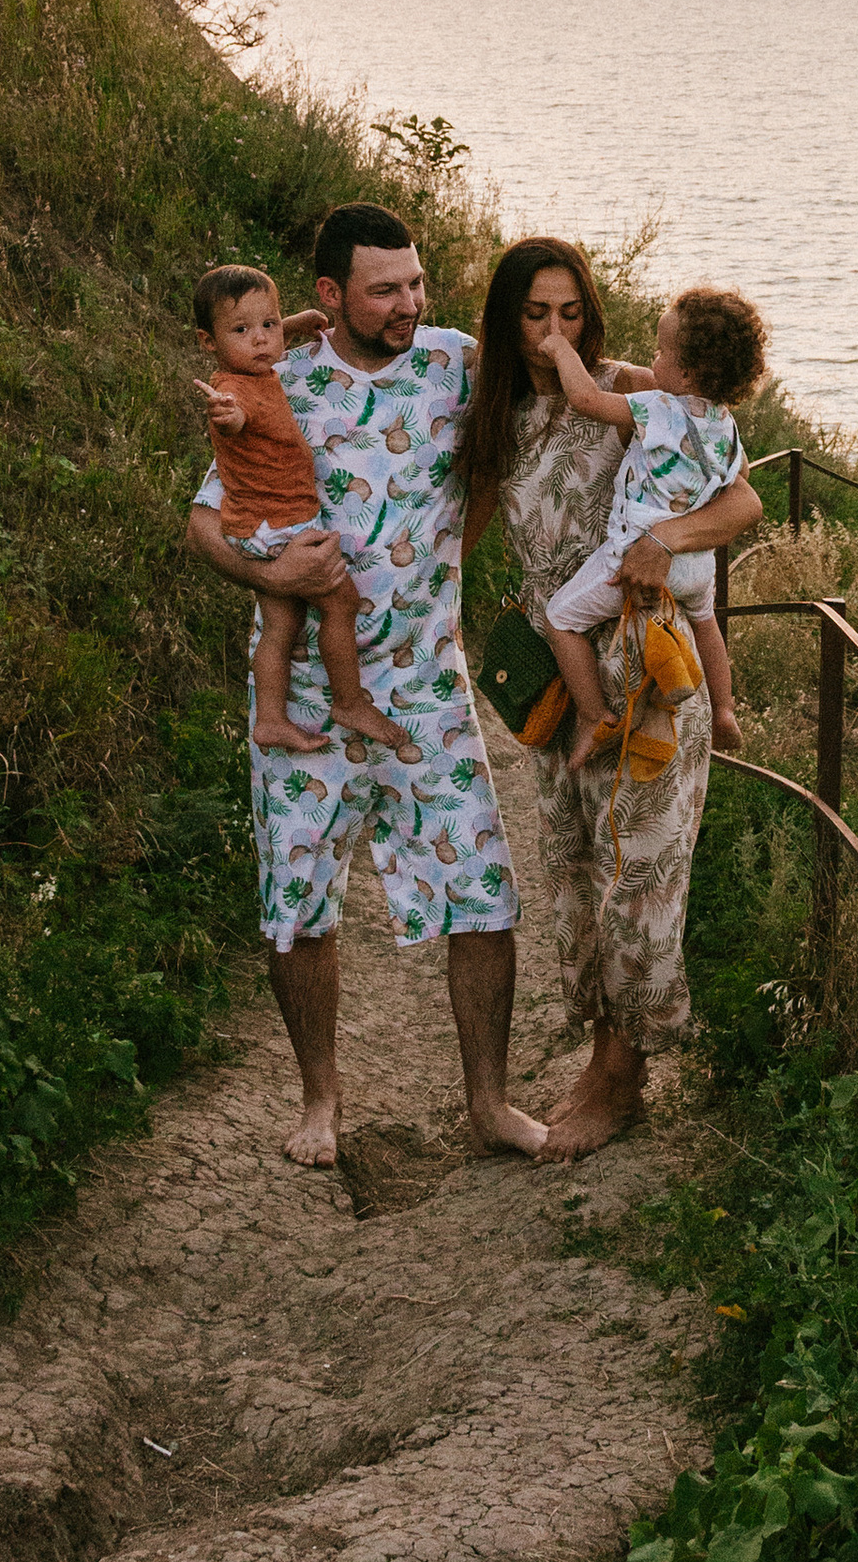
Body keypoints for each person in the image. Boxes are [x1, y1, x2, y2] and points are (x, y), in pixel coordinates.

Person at [182, 204, 542, 1169]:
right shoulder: (279, 383)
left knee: (486, 896)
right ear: (330, 296)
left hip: (426, 686)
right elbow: (205, 521)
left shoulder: (454, 365)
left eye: (417, 283)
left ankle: (490, 1104)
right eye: (386, 289)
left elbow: (557, 368)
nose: (410, 304)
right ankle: (321, 1104)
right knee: (297, 905)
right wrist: (267, 578)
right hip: (304, 696)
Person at [459, 238, 765, 1158]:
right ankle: (603, 1059)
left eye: (571, 312)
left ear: (591, 316)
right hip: (565, 671)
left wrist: (667, 537)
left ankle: (623, 1081)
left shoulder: (628, 388)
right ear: (508, 321)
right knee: (582, 868)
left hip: (650, 658)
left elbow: (742, 504)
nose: (557, 331)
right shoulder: (493, 404)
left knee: (643, 872)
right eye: (535, 315)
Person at [538, 287, 768, 764]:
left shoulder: (660, 409)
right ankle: (724, 710)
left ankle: (591, 714)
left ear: (685, 373)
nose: (653, 359)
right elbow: (739, 478)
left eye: (662, 352)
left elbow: (585, 399)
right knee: (706, 623)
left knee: (560, 620)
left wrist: (560, 347)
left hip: (637, 557)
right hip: (696, 566)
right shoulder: (726, 425)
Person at [192, 264, 411, 760]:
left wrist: (294, 322)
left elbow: (259, 336)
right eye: (243, 331)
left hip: (256, 523)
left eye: (269, 324)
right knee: (341, 604)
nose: (263, 340)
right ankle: (350, 701)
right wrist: (229, 418)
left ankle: (270, 719)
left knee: (281, 625)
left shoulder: (249, 363)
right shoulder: (237, 391)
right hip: (281, 527)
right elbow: (236, 415)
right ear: (209, 343)